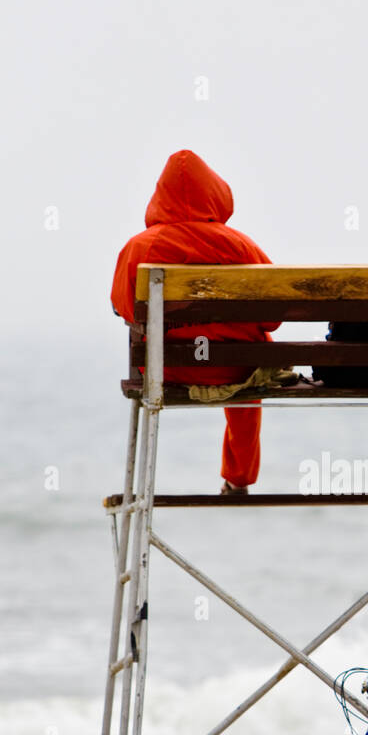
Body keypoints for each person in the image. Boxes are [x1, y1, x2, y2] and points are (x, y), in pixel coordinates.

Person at [110, 150, 278, 494]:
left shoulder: (140, 248)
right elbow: (273, 318)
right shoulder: (241, 247)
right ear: (215, 195)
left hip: (163, 368)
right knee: (254, 355)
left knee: (244, 353)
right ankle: (238, 476)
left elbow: (125, 309)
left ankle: (143, 492)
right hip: (235, 370)